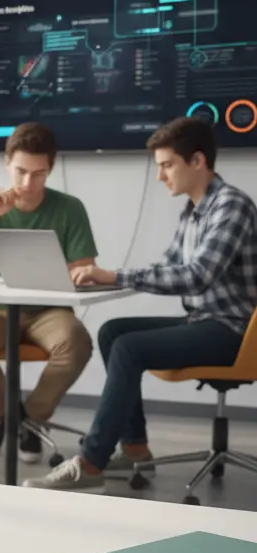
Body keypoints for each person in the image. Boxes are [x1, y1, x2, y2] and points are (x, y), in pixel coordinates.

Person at [25, 117, 257, 489]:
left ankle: (91, 463)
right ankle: (135, 449)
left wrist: (116, 277)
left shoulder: (232, 207)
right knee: (113, 331)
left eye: (167, 165)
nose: (161, 176)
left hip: (235, 331)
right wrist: (101, 275)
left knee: (129, 348)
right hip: (205, 320)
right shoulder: (194, 210)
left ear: (197, 161)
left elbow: (197, 275)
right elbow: (168, 266)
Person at [0, 122, 97, 463]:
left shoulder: (69, 208)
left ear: (51, 169)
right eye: (21, 172)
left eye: (39, 174)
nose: (28, 183)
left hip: (49, 309)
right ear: (6, 163)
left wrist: (72, 272)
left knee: (76, 344)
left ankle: (29, 420)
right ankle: (6, 413)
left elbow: (85, 268)